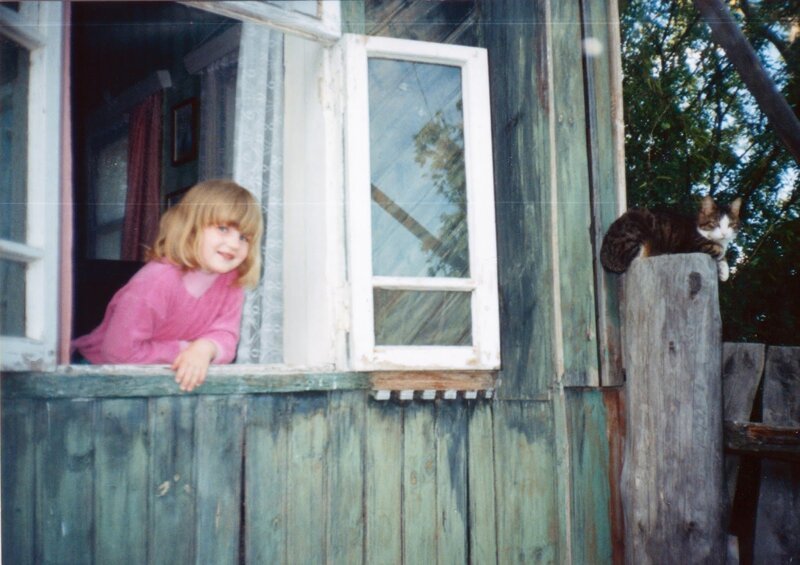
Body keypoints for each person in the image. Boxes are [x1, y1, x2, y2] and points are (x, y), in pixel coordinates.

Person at [72, 179, 263, 392]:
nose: (235, 244)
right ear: (191, 228)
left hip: (159, 377)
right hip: (96, 374)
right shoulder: (156, 281)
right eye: (223, 228)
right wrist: (185, 351)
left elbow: (226, 336)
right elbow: (118, 353)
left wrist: (205, 349)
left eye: (244, 237)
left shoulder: (232, 282)